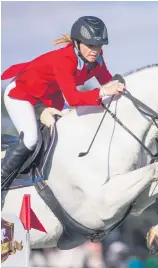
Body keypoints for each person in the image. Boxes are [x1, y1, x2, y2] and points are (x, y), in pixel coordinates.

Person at [1, 16, 125, 183]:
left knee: (75, 123)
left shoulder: (96, 58)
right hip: (22, 94)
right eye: (90, 45)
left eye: (98, 45)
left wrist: (121, 88)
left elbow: (107, 82)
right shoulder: (64, 60)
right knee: (31, 139)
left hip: (49, 98)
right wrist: (103, 91)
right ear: (76, 43)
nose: (95, 50)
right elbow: (74, 99)